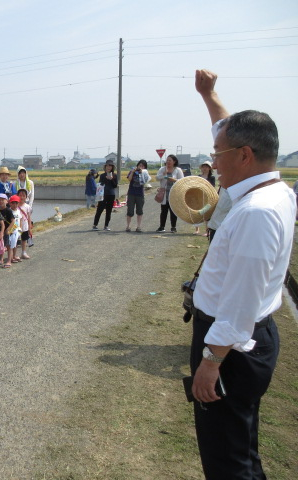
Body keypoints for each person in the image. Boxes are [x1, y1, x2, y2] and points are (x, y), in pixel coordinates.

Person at [190, 68, 295, 480]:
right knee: (240, 446)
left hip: (232, 346)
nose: (214, 163)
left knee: (227, 460)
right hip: (241, 338)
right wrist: (209, 95)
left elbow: (241, 300)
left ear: (245, 155)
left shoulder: (256, 212)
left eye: (217, 154)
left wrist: (211, 360)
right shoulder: (274, 192)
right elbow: (226, 129)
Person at [156, 155, 184, 232]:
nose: (168, 162)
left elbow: (182, 181)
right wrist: (163, 174)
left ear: (174, 161)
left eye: (170, 160)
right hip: (164, 193)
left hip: (174, 193)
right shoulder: (162, 169)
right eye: (167, 160)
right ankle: (162, 227)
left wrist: (174, 180)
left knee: (173, 211)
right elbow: (157, 178)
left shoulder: (178, 170)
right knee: (163, 211)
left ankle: (173, 227)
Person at [125, 160, 151, 232]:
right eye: (140, 165)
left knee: (139, 211)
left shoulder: (145, 173)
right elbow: (129, 179)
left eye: (143, 166)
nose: (141, 167)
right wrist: (133, 172)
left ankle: (138, 226)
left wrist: (142, 173)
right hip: (131, 193)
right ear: (137, 165)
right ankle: (128, 226)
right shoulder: (132, 171)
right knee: (130, 210)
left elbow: (147, 181)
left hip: (140, 194)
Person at [93, 160, 118, 231]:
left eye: (110, 166)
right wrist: (106, 180)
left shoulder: (115, 175)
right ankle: (95, 225)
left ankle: (106, 226)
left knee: (109, 211)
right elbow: (100, 185)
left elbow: (115, 185)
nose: (108, 167)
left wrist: (111, 179)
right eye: (107, 166)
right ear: (105, 166)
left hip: (111, 194)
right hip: (103, 195)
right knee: (99, 210)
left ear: (112, 167)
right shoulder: (102, 175)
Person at [195, 161, 216, 235]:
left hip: (208, 198)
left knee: (207, 213)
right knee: (198, 213)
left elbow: (212, 187)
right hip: (199, 197)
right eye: (203, 167)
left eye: (206, 167)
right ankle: (197, 229)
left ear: (209, 168)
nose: (204, 168)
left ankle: (207, 231)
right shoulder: (199, 177)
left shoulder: (212, 177)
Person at [7, 195, 23, 263]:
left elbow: (20, 219)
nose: (15, 205)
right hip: (11, 230)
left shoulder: (18, 211)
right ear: (10, 203)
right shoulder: (9, 211)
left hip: (17, 230)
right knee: (10, 244)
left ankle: (14, 255)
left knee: (16, 243)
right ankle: (10, 258)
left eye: (16, 203)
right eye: (13, 203)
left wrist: (20, 228)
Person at [17, 189, 33, 259]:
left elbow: (29, 218)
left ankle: (23, 252)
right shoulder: (15, 205)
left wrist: (29, 228)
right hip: (16, 226)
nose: (22, 197)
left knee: (24, 240)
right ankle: (14, 254)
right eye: (20, 195)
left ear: (26, 197)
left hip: (25, 226)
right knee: (16, 240)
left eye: (23, 196)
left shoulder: (28, 207)